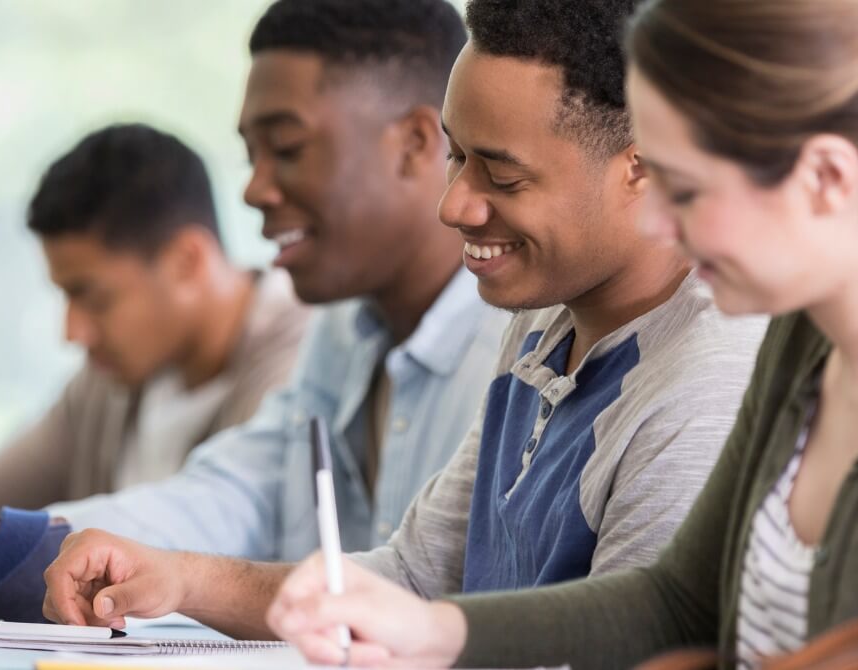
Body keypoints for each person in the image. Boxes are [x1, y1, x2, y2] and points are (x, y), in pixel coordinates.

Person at [263, 0, 858, 668]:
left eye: (687, 193)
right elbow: (680, 601)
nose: (665, 233)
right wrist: (431, 629)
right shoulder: (808, 338)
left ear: (825, 178)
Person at [41, 0, 764, 640]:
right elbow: (413, 578)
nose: (454, 205)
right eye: (456, 157)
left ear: (641, 166)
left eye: (501, 176)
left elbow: (639, 644)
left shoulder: (704, 381)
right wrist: (182, 580)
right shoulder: (546, 326)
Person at [40, 0, 510, 563]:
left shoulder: (523, 348)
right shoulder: (345, 328)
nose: (254, 190)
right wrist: (4, 537)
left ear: (413, 142)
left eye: (287, 149)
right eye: (250, 156)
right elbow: (241, 493)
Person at [0, 123, 308, 509]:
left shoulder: (302, 368)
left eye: (96, 298)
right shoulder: (108, 381)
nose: (72, 333)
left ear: (187, 261)